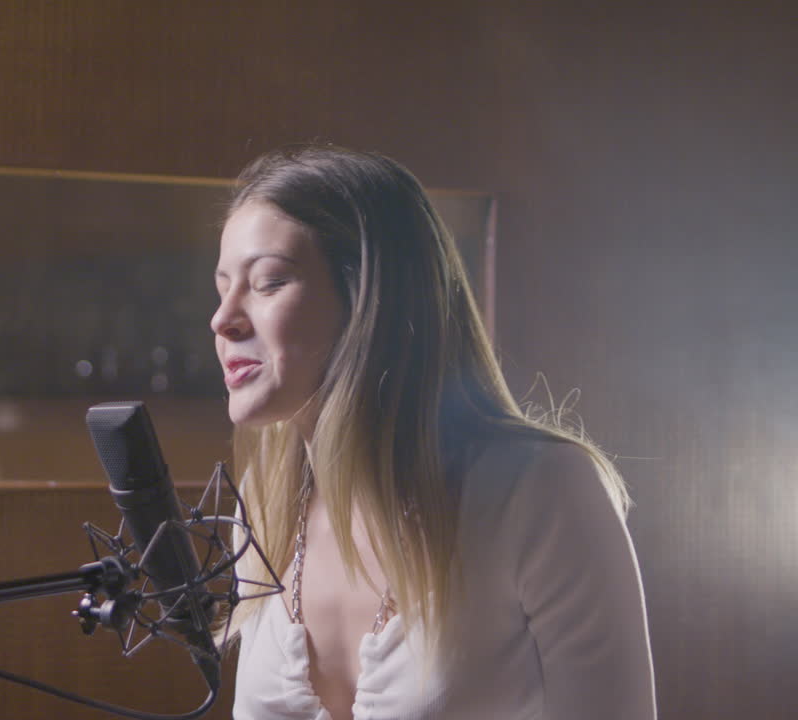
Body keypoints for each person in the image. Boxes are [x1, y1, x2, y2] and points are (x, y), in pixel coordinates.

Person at [213, 145, 655, 719]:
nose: (223, 319)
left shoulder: (541, 491)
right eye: (223, 287)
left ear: (368, 300)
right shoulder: (263, 504)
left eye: (268, 282)